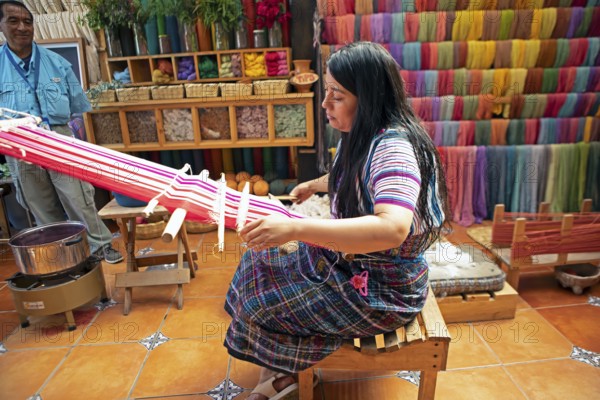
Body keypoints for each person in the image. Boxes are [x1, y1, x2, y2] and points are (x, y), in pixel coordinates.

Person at [226, 41, 451, 399]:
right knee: (257, 265)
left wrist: (296, 228)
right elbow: (352, 175)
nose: (325, 103)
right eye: (326, 91)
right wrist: (313, 186)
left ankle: (290, 374)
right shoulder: (359, 135)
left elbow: (392, 228)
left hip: (382, 289)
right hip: (352, 264)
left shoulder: (394, 148)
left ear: (369, 98)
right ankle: (285, 366)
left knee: (261, 302)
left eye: (337, 95)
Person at [0, 0, 122, 263]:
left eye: (28, 21)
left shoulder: (57, 64)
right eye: (13, 21)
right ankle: (67, 254)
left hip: (59, 140)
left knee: (78, 196)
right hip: (20, 146)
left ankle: (100, 246)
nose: (22, 27)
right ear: (1, 26)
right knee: (39, 203)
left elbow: (78, 108)